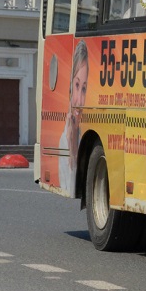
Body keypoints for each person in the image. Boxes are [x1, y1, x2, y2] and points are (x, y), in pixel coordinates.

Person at [59, 40, 89, 191]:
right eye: (77, 86)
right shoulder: (64, 141)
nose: (79, 99)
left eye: (84, 89)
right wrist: (71, 153)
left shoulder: (83, 136)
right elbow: (69, 187)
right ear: (70, 88)